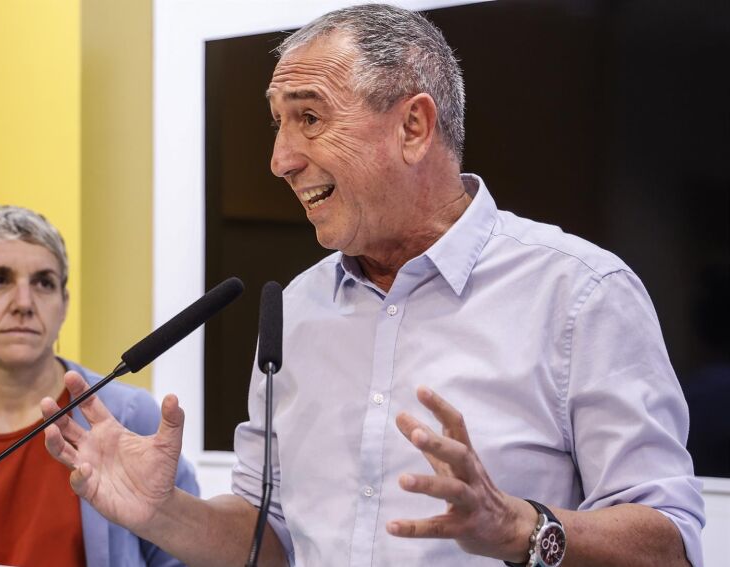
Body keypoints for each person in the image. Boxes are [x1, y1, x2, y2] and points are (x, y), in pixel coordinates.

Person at [41, 5, 704, 566]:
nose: (279, 160)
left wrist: (518, 527)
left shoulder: (580, 294)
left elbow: (672, 543)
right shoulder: (295, 310)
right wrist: (161, 512)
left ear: (413, 127)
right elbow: (269, 538)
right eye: (277, 123)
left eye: (309, 118)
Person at [0, 205, 199, 567]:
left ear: (63, 306)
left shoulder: (128, 417)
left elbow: (191, 558)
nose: (24, 303)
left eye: (44, 283)